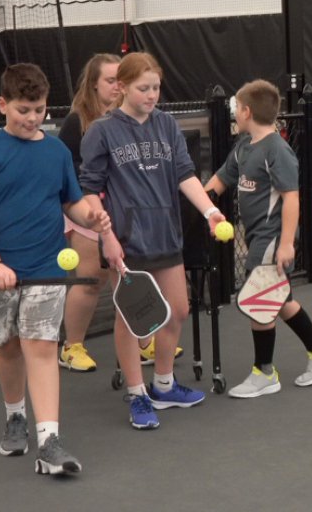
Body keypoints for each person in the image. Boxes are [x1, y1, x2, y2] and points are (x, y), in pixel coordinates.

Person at [0, 63, 112, 474]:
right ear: (3, 105)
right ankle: (15, 416)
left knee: (42, 347)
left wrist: (90, 216)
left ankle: (49, 441)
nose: (32, 118)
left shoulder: (57, 151)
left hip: (46, 268)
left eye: (40, 110)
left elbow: (71, 202)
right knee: (6, 347)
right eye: (24, 109)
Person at [79, 52, 225, 429]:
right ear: (122, 87)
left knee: (177, 309)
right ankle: (137, 393)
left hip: (166, 236)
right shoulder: (102, 130)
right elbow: (90, 190)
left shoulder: (167, 125)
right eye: (143, 88)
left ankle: (163, 384)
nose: (151, 95)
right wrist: (106, 235)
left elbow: (185, 175)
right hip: (125, 241)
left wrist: (210, 212)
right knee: (133, 319)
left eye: (156, 87)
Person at [205, 79, 312, 398]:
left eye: (237, 108)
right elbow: (218, 182)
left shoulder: (277, 150)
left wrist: (286, 244)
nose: (235, 113)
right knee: (280, 300)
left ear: (247, 111)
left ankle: (264, 373)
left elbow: (291, 198)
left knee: (259, 301)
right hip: (255, 238)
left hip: (271, 239)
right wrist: (197, 205)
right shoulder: (242, 147)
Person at [56, 54, 182, 372]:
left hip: (122, 210)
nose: (115, 85)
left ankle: (144, 342)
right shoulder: (80, 122)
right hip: (87, 207)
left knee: (136, 288)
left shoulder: (145, 120)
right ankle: (72, 346)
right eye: (109, 80)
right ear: (95, 84)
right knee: (89, 278)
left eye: (117, 79)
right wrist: (88, 210)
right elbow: (73, 172)